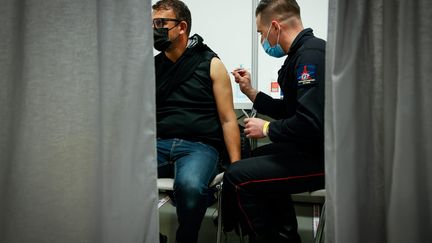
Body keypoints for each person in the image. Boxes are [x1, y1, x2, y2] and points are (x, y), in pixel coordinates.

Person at [222, 0, 325, 242]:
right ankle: (286, 236)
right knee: (251, 160)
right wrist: (251, 93)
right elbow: (289, 111)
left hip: (321, 158)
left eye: (261, 32)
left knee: (237, 177)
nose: (262, 39)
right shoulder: (301, 53)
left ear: (275, 26)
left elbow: (310, 123)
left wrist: (267, 128)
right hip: (307, 149)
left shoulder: (310, 56)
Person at [152, 0, 241, 243]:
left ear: (182, 27)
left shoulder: (211, 64)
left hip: (199, 146)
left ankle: (186, 239)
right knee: (120, 175)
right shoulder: (151, 68)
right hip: (159, 143)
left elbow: (227, 120)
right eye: (152, 23)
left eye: (161, 23)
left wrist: (236, 167)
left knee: (190, 186)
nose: (154, 29)